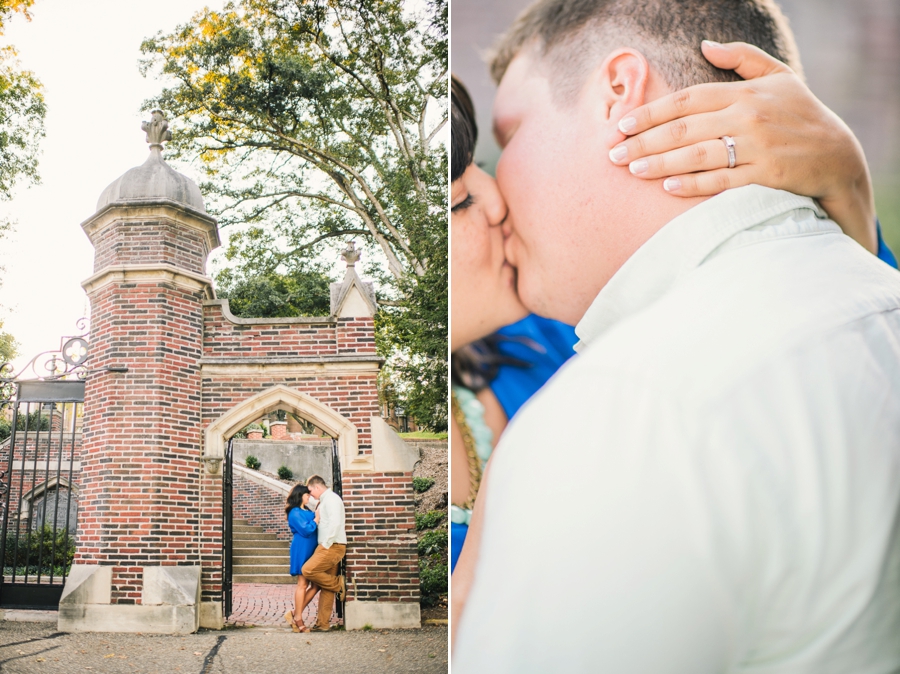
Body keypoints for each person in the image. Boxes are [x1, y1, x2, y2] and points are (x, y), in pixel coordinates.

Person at [453, 0, 900, 670]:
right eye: (458, 193)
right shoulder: (598, 368)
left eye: (509, 137)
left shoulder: (581, 365)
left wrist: (847, 191)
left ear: (620, 92)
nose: (495, 194)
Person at [301, 474, 347, 632]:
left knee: (307, 570)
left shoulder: (332, 499)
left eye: (310, 490)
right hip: (329, 545)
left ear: (317, 487)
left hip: (331, 545)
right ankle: (323, 624)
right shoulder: (325, 500)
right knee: (326, 589)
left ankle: (338, 584)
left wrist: (326, 544)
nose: (310, 494)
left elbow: (335, 523)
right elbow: (313, 503)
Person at [283, 484, 319, 633]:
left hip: (313, 549)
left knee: (317, 585)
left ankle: (293, 614)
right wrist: (317, 519)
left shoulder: (307, 510)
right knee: (303, 584)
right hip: (302, 548)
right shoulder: (294, 512)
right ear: (300, 495)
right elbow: (306, 529)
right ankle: (298, 618)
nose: (309, 497)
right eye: (306, 495)